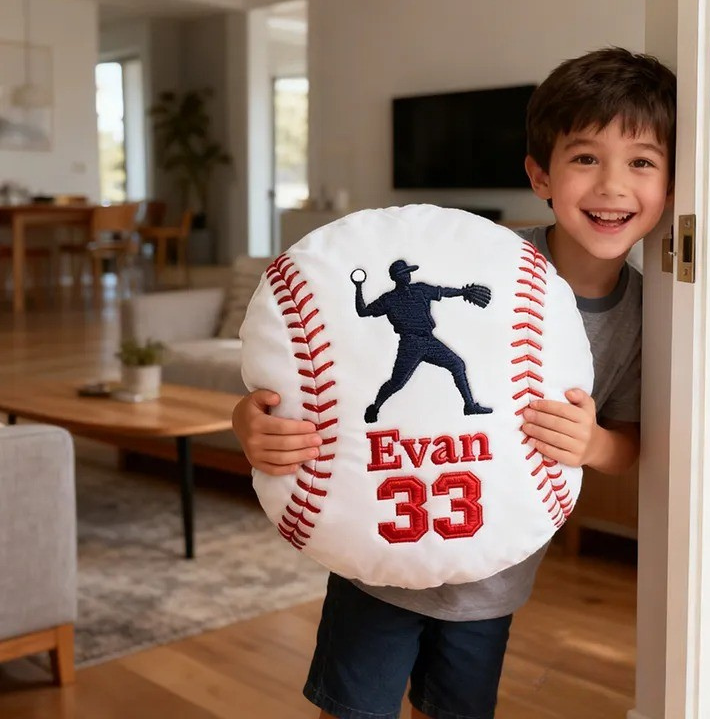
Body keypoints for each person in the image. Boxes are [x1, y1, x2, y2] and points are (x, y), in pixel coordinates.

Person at [232, 46, 676, 719]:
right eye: (585, 157)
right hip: (377, 558)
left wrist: (590, 445)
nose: (613, 185)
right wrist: (252, 424)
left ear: (672, 185)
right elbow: (315, 371)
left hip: (492, 575)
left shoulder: (650, 311)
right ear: (540, 174)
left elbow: (632, 443)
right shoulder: (486, 255)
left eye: (641, 161)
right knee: (354, 711)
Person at [351, 259, 493, 423]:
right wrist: (358, 287)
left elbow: (443, 291)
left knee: (457, 364)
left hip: (428, 340)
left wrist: (462, 292)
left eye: (407, 273)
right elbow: (363, 311)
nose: (407, 276)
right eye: (403, 274)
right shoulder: (389, 299)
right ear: (396, 278)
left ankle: (469, 405)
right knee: (397, 383)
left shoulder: (420, 289)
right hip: (410, 344)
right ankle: (375, 407)